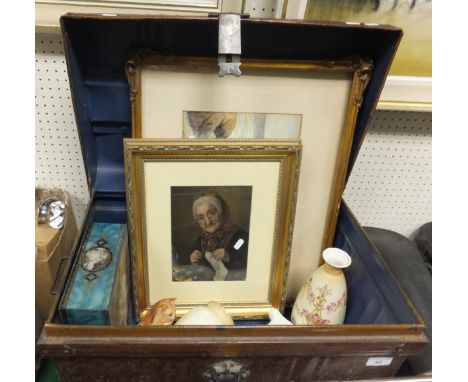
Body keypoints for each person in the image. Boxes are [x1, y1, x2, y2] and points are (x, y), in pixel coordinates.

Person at [183, 192, 249, 275]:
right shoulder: (199, 241)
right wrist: (191, 260)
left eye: (212, 213)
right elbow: (183, 266)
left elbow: (248, 266)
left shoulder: (240, 238)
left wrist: (229, 258)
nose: (208, 221)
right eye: (200, 218)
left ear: (221, 212)